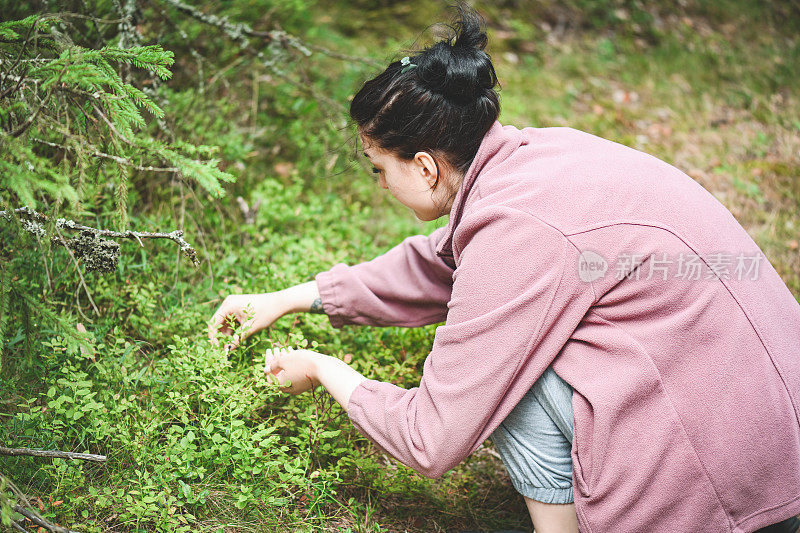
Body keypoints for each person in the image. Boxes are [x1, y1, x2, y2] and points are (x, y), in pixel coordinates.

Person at [208, 5, 800, 532]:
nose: (379, 185)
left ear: (425, 166)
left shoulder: (518, 233)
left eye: (378, 170)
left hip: (731, 484)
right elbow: (444, 264)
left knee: (509, 378)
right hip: (775, 424)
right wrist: (289, 297)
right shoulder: (536, 158)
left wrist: (325, 368)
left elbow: (430, 437)